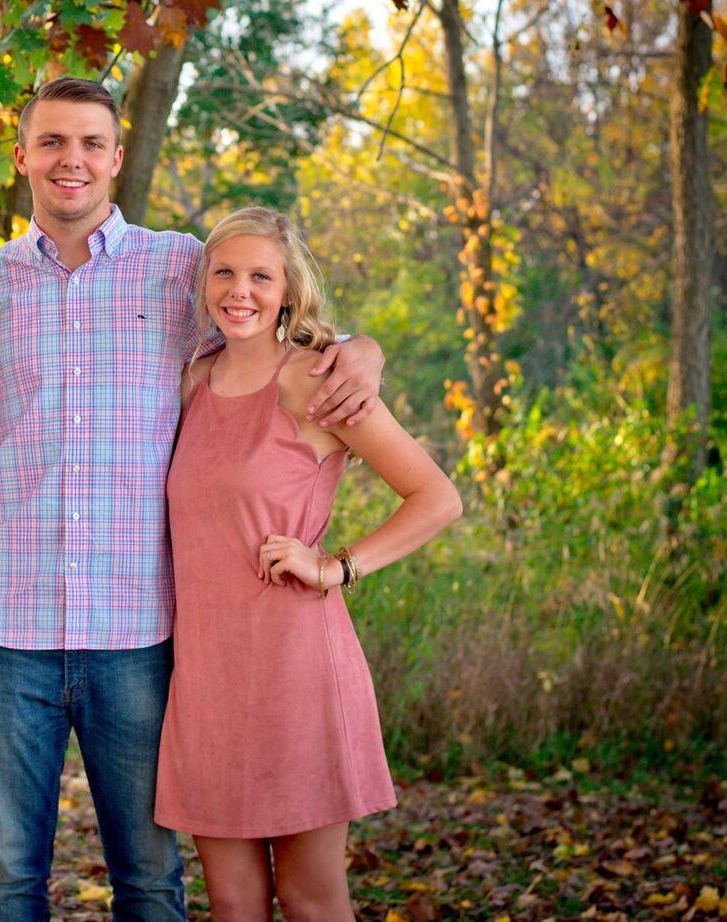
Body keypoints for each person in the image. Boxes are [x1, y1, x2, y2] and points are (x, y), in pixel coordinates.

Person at [0, 77, 387, 920]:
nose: (72, 160)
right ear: (22, 157)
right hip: (1, 621)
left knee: (148, 877)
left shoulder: (178, 268)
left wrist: (360, 347)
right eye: (52, 142)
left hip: (138, 622)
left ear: (117, 158)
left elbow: (268, 320)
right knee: (8, 876)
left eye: (92, 143)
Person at [156, 206, 462, 920]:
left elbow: (436, 498)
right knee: (232, 905)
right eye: (224, 273)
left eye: (261, 276)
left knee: (310, 899)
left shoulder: (316, 383)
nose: (240, 290)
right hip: (204, 679)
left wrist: (338, 566)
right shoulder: (190, 385)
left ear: (288, 290)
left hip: (296, 671)